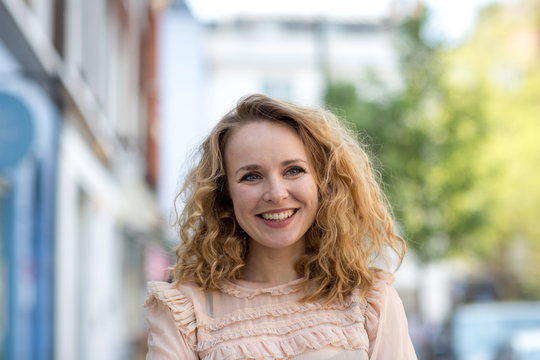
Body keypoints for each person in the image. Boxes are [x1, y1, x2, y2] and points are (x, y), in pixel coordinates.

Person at [145, 94, 418, 359]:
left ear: (322, 182)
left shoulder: (370, 300)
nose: (276, 193)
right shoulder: (185, 312)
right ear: (224, 194)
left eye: (293, 170)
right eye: (251, 176)